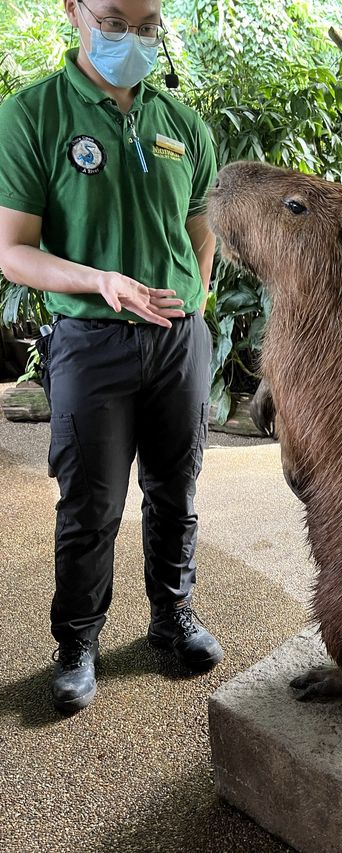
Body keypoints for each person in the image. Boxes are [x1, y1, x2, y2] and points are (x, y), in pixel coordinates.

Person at [0, 0, 223, 714]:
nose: (135, 36)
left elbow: (203, 226)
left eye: (150, 22)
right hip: (91, 341)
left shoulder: (183, 126)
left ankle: (173, 616)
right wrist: (100, 281)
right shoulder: (32, 116)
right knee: (91, 503)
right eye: (116, 18)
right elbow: (13, 252)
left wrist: (198, 297)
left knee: (176, 488)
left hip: (177, 342)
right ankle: (77, 642)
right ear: (74, 10)